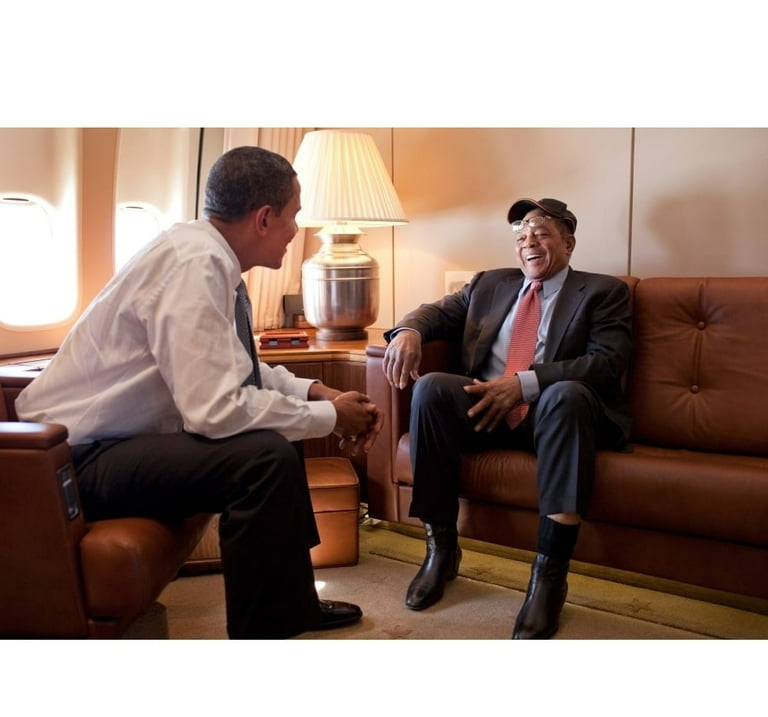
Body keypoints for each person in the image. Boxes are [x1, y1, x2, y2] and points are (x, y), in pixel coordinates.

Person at [16, 145, 383, 639]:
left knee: (277, 433)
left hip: (111, 444)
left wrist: (317, 392)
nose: (297, 231)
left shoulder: (208, 256)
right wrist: (331, 419)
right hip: (73, 458)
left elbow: (238, 370)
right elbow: (216, 411)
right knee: (263, 457)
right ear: (264, 218)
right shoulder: (195, 266)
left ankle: (293, 603)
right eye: (294, 216)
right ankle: (265, 629)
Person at [382, 198, 632, 639]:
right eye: (521, 235)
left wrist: (524, 383)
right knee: (432, 387)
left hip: (554, 417)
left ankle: (549, 579)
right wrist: (408, 331)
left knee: (568, 395)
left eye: (541, 232)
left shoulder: (603, 291)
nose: (528, 242)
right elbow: (435, 312)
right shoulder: (489, 284)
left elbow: (606, 364)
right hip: (487, 410)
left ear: (568, 243)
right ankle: (440, 550)